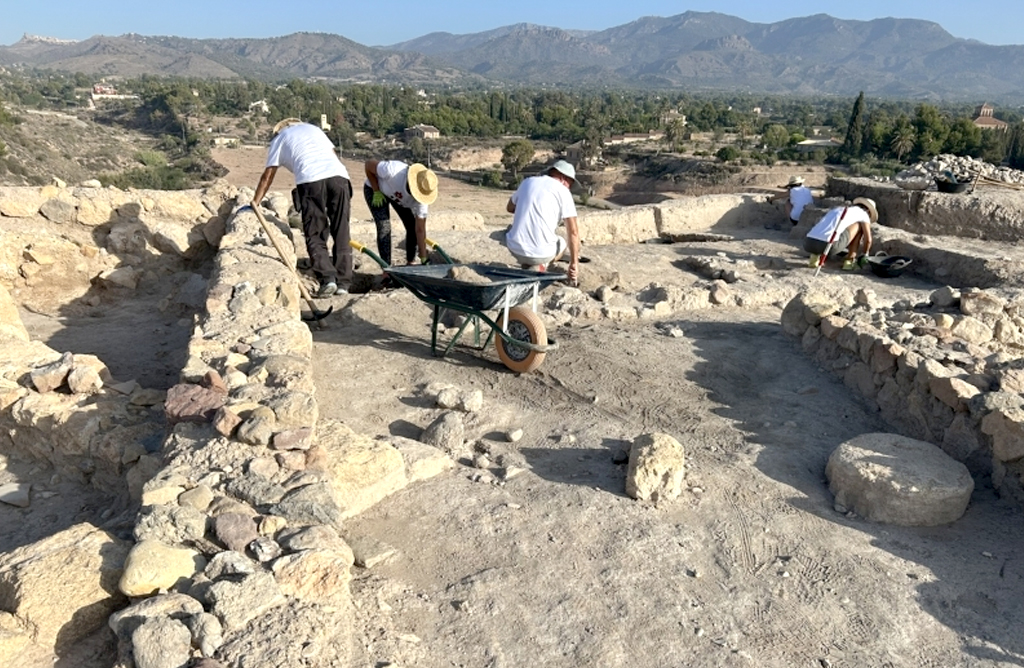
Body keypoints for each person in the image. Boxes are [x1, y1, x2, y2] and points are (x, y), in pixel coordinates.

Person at [253, 118, 352, 298]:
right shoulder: (315, 130)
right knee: (341, 229)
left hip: (310, 179)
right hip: (340, 177)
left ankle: (328, 278)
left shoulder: (279, 139)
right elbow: (332, 155)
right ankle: (344, 283)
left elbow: (268, 176)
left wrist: (255, 202)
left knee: (315, 232)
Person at [504, 160, 581, 286]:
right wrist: (574, 264)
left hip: (514, 249)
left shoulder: (527, 182)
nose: (569, 188)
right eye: (570, 184)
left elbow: (509, 208)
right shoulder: (563, 191)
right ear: (563, 178)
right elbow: (573, 232)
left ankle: (527, 263)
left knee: (510, 230)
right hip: (540, 255)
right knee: (561, 242)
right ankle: (541, 265)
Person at [363, 160, 438, 266]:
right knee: (384, 228)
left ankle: (410, 262)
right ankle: (386, 269)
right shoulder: (393, 171)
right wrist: (376, 190)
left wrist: (423, 256)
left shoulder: (422, 199)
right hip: (376, 189)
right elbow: (368, 165)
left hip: (397, 198)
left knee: (412, 226)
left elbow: (420, 229)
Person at [804, 197, 877, 270]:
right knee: (859, 227)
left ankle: (814, 259)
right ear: (868, 211)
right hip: (828, 246)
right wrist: (865, 254)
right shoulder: (863, 214)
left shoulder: (838, 209)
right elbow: (868, 240)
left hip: (808, 243)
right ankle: (849, 262)